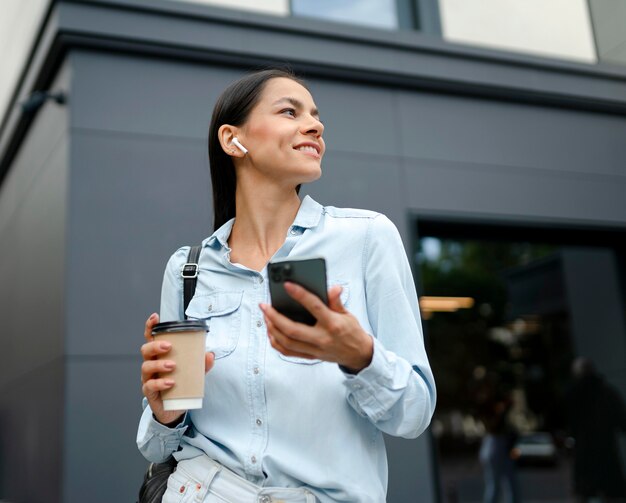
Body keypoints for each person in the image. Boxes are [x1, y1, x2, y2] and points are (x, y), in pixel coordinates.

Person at [137, 68, 436, 503]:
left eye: (316, 116)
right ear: (231, 140)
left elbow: (414, 415)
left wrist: (360, 356)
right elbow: (156, 445)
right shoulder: (188, 269)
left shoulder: (368, 237)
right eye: (289, 111)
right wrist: (165, 414)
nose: (315, 125)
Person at [567, 357, 626, 502]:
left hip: (585, 452)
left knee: (585, 492)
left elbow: (568, 422)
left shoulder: (574, 394)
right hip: (606, 451)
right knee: (610, 493)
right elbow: (621, 419)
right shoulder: (606, 392)